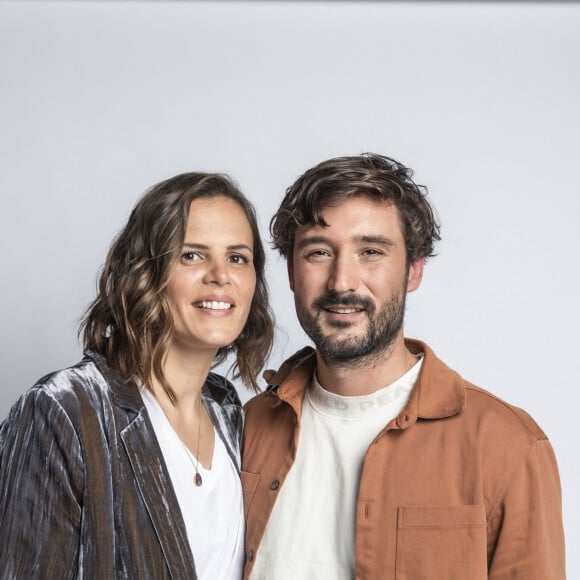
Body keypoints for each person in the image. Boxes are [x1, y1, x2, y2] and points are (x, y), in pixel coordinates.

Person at [242, 153, 565, 579]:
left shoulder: (506, 446)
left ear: (414, 271)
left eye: (371, 251)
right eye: (319, 252)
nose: (342, 282)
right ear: (290, 272)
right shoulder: (246, 428)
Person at [0, 172, 274, 579]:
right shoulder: (64, 411)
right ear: (146, 273)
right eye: (192, 255)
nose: (221, 275)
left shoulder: (229, 411)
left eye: (238, 257)